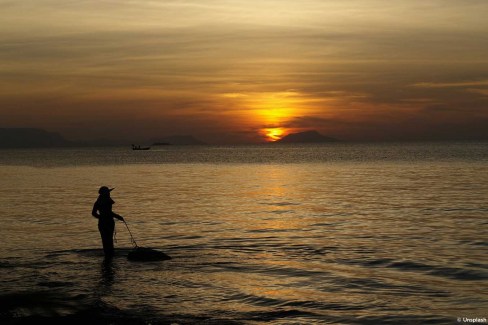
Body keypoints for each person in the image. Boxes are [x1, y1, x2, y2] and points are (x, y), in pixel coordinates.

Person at [92, 186, 124, 258]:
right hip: (108, 222)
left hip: (102, 223)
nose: (109, 194)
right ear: (105, 194)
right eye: (108, 192)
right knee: (109, 240)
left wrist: (100, 217)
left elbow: (93, 213)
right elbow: (109, 213)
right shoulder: (107, 201)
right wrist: (118, 217)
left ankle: (107, 255)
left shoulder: (98, 202)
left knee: (105, 240)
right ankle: (110, 255)